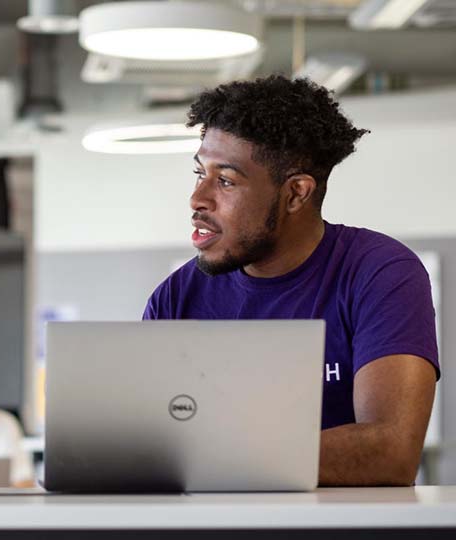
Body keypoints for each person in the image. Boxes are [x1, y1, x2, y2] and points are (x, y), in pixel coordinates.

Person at [143, 74, 440, 486]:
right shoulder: (176, 297)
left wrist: (205, 451)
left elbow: (390, 452)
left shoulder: (380, 272)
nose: (198, 198)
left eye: (225, 180)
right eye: (200, 174)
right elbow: (147, 448)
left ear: (296, 193)